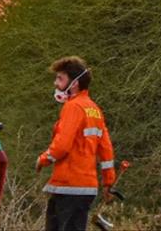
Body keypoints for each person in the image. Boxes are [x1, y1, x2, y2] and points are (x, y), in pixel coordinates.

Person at [34, 56, 116, 231]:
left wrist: (43, 159)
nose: (56, 83)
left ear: (75, 83)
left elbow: (62, 145)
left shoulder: (73, 107)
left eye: (60, 78)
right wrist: (109, 181)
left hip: (69, 186)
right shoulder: (94, 110)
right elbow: (106, 150)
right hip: (86, 188)